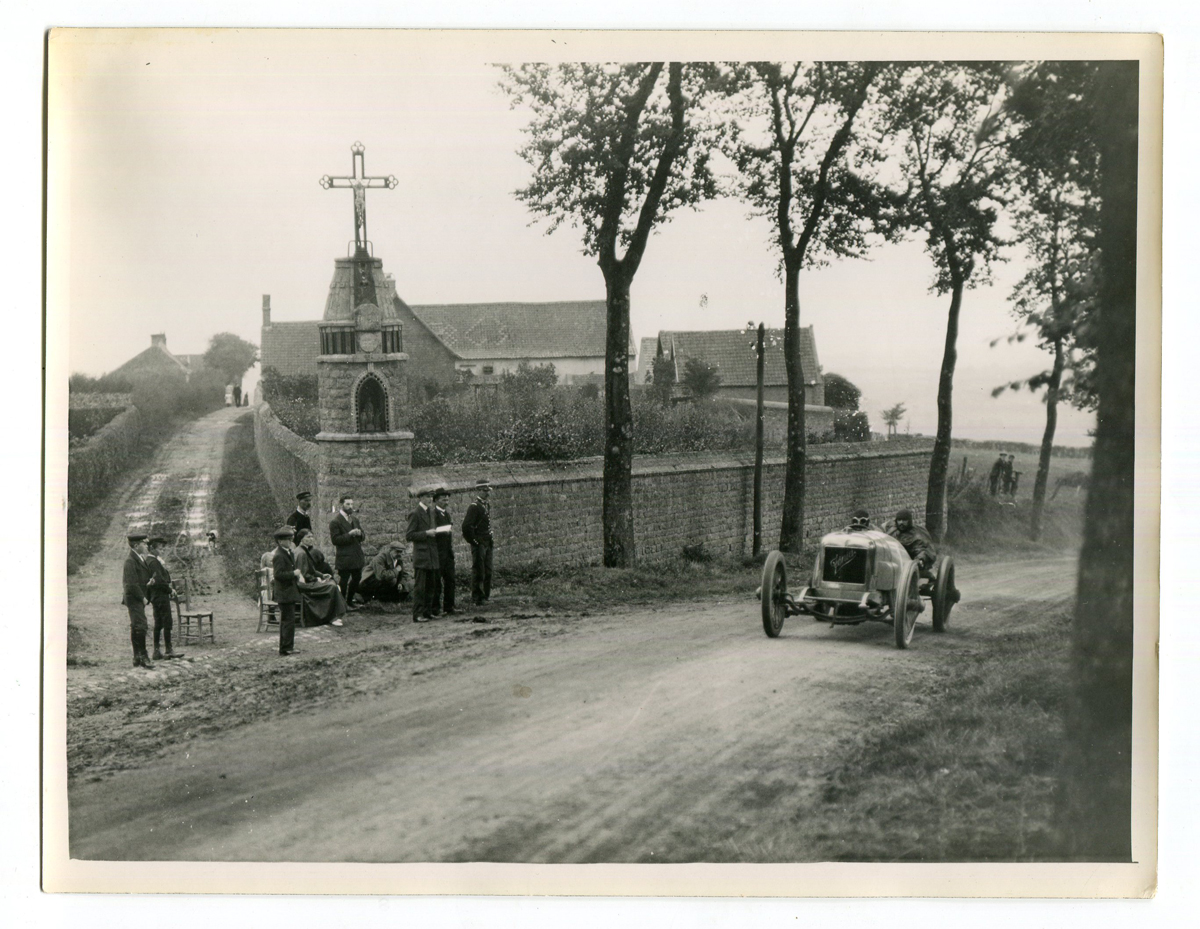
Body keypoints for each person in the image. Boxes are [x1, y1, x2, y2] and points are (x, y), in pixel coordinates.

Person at [293, 529, 346, 627]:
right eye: (308, 537)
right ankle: (332, 617)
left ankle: (334, 615)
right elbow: (303, 574)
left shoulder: (304, 550)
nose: (311, 539)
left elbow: (311, 570)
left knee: (331, 583)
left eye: (312, 536)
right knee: (332, 586)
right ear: (301, 539)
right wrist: (317, 579)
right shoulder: (301, 553)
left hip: (306, 582)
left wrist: (321, 575)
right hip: (303, 585)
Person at [406, 486, 441, 623]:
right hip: (421, 556)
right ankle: (418, 614)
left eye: (431, 497)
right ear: (420, 498)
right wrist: (426, 533)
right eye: (427, 497)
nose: (430, 499)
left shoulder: (431, 512)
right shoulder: (415, 513)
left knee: (431, 585)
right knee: (420, 587)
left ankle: (427, 612)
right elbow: (409, 535)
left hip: (432, 554)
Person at [145, 536, 182, 660]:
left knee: (158, 623)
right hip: (160, 596)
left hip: (156, 596)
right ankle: (168, 650)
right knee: (166, 622)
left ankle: (156, 651)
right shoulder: (153, 562)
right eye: (160, 548)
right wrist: (170, 590)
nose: (162, 550)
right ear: (152, 548)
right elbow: (160, 580)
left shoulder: (152, 561)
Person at [121, 534, 154, 669]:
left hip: (137, 597)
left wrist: (148, 583)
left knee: (136, 626)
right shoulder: (130, 561)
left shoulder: (139, 559)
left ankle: (137, 657)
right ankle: (143, 656)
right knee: (141, 625)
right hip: (134, 598)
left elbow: (139, 580)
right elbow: (131, 584)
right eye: (143, 544)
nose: (146, 546)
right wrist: (143, 597)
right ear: (136, 545)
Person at [330, 494, 366, 611]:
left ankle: (350, 601)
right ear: (341, 505)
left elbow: (363, 535)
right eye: (347, 504)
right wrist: (349, 534)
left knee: (357, 578)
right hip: (345, 557)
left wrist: (360, 534)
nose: (350, 506)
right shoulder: (335, 522)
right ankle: (342, 604)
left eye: (351, 504)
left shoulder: (354, 519)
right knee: (344, 581)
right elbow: (335, 540)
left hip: (356, 555)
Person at [461, 478, 493, 606]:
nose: (487, 493)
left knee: (488, 570)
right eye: (484, 490)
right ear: (478, 490)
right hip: (479, 542)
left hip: (487, 542)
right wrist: (474, 541)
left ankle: (486, 595)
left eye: (488, 490)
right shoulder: (474, 507)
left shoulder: (486, 505)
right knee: (479, 570)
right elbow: (466, 526)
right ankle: (477, 597)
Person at [271, 526, 302, 656]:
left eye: (291, 539)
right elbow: (278, 575)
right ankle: (286, 648)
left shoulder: (287, 552)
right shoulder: (279, 555)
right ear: (280, 541)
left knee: (288, 620)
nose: (290, 542)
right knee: (287, 621)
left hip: (288, 592)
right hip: (284, 593)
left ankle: (286, 646)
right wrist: (293, 573)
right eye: (288, 539)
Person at [886, 508, 937, 575]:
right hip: (892, 562)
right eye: (899, 520)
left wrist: (920, 559)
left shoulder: (916, 534)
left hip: (909, 566)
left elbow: (922, 549)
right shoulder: (892, 530)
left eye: (904, 520)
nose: (901, 522)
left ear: (909, 521)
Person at [432, 487, 457, 616]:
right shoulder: (433, 515)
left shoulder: (446, 514)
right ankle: (435, 609)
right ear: (436, 500)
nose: (446, 501)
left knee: (450, 580)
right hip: (438, 553)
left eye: (447, 499)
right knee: (437, 582)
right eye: (443, 499)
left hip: (447, 553)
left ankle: (449, 606)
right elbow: (433, 532)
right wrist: (443, 530)